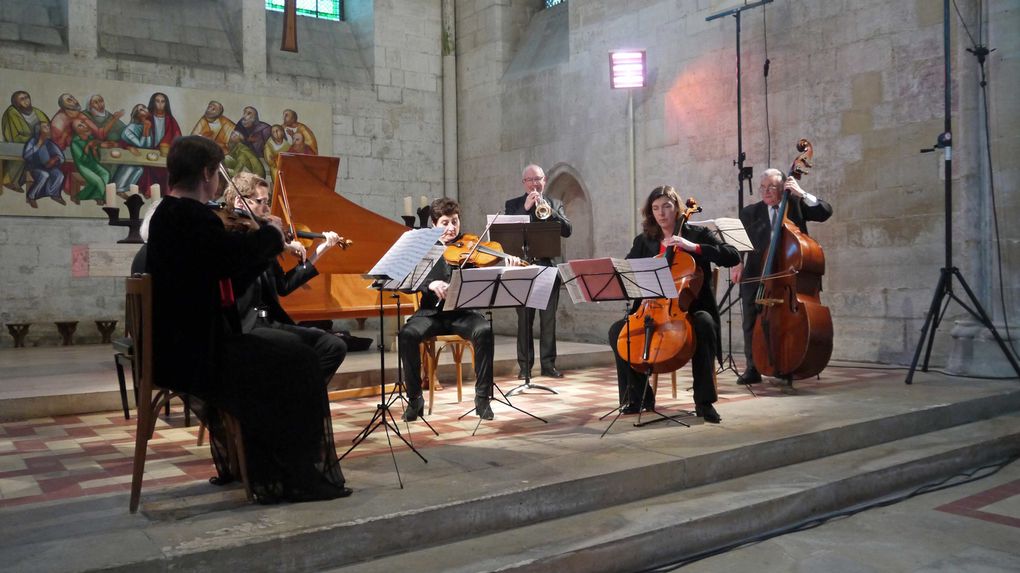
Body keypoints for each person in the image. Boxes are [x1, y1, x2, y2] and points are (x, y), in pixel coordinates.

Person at [145, 135, 350, 504]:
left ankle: (265, 458)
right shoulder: (189, 217)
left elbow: (228, 275)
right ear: (209, 172)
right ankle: (296, 474)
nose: (218, 184)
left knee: (292, 352)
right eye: (217, 176)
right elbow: (233, 262)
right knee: (300, 360)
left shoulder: (169, 215)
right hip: (197, 351)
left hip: (186, 342)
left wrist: (266, 243)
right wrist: (270, 235)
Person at [608, 185, 740, 423]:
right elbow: (628, 271)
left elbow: (732, 255)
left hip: (689, 309)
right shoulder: (645, 241)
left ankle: (704, 401)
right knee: (618, 331)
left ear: (677, 208)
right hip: (652, 310)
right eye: (656, 208)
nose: (661, 213)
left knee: (705, 323)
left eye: (666, 207)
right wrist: (640, 287)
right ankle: (637, 398)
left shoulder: (697, 234)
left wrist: (694, 248)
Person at [225, 171, 348, 386]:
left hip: (269, 322)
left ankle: (299, 397)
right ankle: (294, 399)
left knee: (333, 345)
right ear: (239, 201)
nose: (266, 209)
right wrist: (278, 243)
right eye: (260, 202)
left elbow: (283, 287)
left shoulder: (263, 237)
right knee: (298, 352)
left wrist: (319, 252)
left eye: (266, 201)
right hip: (243, 327)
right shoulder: (234, 236)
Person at [398, 197, 508, 421]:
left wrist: (508, 262)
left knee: (484, 330)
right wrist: (430, 284)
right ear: (434, 225)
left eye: (455, 222)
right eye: (445, 223)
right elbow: (408, 283)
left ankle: (482, 398)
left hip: (462, 313)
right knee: (407, 335)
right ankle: (415, 399)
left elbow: (489, 270)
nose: (451, 228)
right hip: (431, 314)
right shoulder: (423, 248)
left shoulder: (470, 246)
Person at [731, 169, 833, 385]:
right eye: (763, 187)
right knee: (751, 320)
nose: (766, 192)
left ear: (783, 188)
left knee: (785, 322)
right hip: (757, 273)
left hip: (788, 275)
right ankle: (753, 367)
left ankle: (787, 362)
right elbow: (738, 243)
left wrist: (801, 193)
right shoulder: (750, 212)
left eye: (772, 188)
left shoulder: (795, 205)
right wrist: (737, 262)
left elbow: (825, 212)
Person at [504, 164, 572, 379]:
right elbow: (507, 233)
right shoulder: (513, 204)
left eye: (538, 179)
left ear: (544, 180)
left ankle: (548, 365)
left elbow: (567, 231)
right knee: (524, 320)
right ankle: (525, 367)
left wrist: (550, 212)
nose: (534, 183)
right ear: (524, 183)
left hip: (546, 267)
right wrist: (525, 208)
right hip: (522, 267)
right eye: (530, 180)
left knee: (548, 319)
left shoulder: (555, 203)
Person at [21, 122, 65, 208]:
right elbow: (26, 156)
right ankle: (31, 196)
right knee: (44, 175)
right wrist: (38, 145)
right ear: (39, 130)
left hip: (49, 167)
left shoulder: (49, 143)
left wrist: (55, 159)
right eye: (45, 127)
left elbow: (61, 157)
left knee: (59, 175)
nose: (48, 128)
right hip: (34, 167)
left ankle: (54, 194)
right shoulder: (33, 141)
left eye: (48, 126)